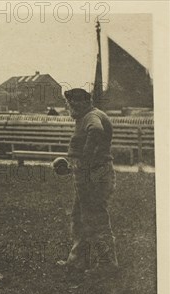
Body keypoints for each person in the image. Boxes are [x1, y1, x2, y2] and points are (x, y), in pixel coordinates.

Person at [55, 88, 118, 276]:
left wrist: (85, 160)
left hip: (96, 176)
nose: (69, 108)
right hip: (88, 175)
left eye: (70, 104)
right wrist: (73, 166)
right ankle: (77, 262)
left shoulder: (92, 117)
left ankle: (107, 265)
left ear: (79, 103)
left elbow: (96, 131)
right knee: (78, 217)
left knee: (95, 219)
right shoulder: (85, 117)